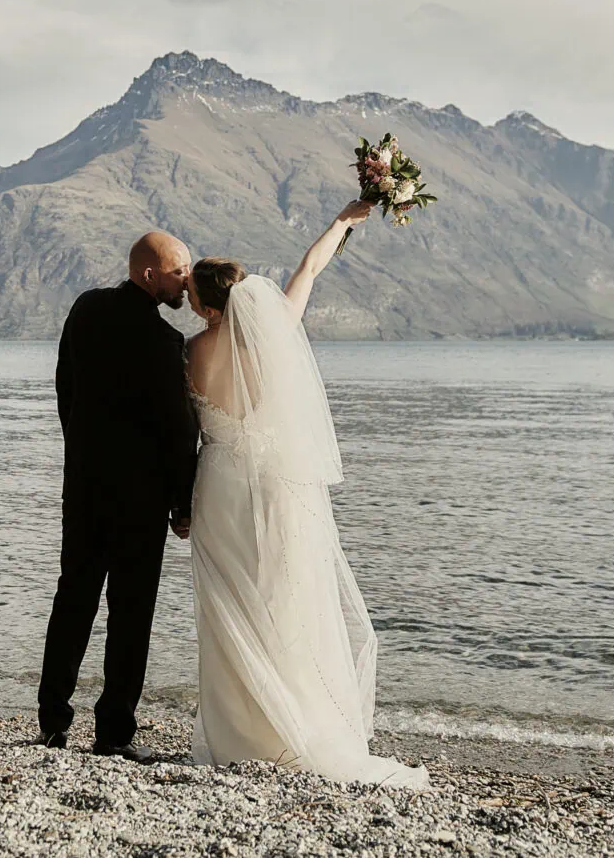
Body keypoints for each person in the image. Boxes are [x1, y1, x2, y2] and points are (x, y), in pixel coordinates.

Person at [182, 201, 429, 788]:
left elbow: (177, 427)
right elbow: (309, 269)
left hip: (216, 489)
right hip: (273, 489)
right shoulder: (273, 338)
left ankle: (238, 734)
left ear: (207, 306)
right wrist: (345, 221)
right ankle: (292, 728)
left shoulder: (188, 353)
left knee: (228, 608)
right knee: (284, 601)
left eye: (192, 297)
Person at [35, 231, 201, 759]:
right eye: (179, 272)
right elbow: (179, 433)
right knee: (131, 616)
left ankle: (53, 722)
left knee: (74, 600)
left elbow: (64, 387)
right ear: (149, 275)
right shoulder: (164, 343)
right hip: (139, 502)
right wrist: (182, 503)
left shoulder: (84, 309)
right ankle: (112, 734)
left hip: (82, 487)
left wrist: (78, 451)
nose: (187, 281)